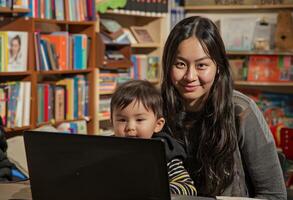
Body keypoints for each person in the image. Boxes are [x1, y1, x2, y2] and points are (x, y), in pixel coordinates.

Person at [161, 16, 287, 199]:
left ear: (218, 67)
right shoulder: (154, 108)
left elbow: (274, 195)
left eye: (201, 65)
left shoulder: (241, 110)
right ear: (168, 65)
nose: (190, 76)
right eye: (180, 64)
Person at [110, 80, 197, 196]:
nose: (130, 128)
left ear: (158, 124)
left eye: (139, 120)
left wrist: (158, 190)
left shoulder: (166, 154)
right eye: (122, 120)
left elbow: (188, 188)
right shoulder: (106, 150)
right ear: (112, 122)